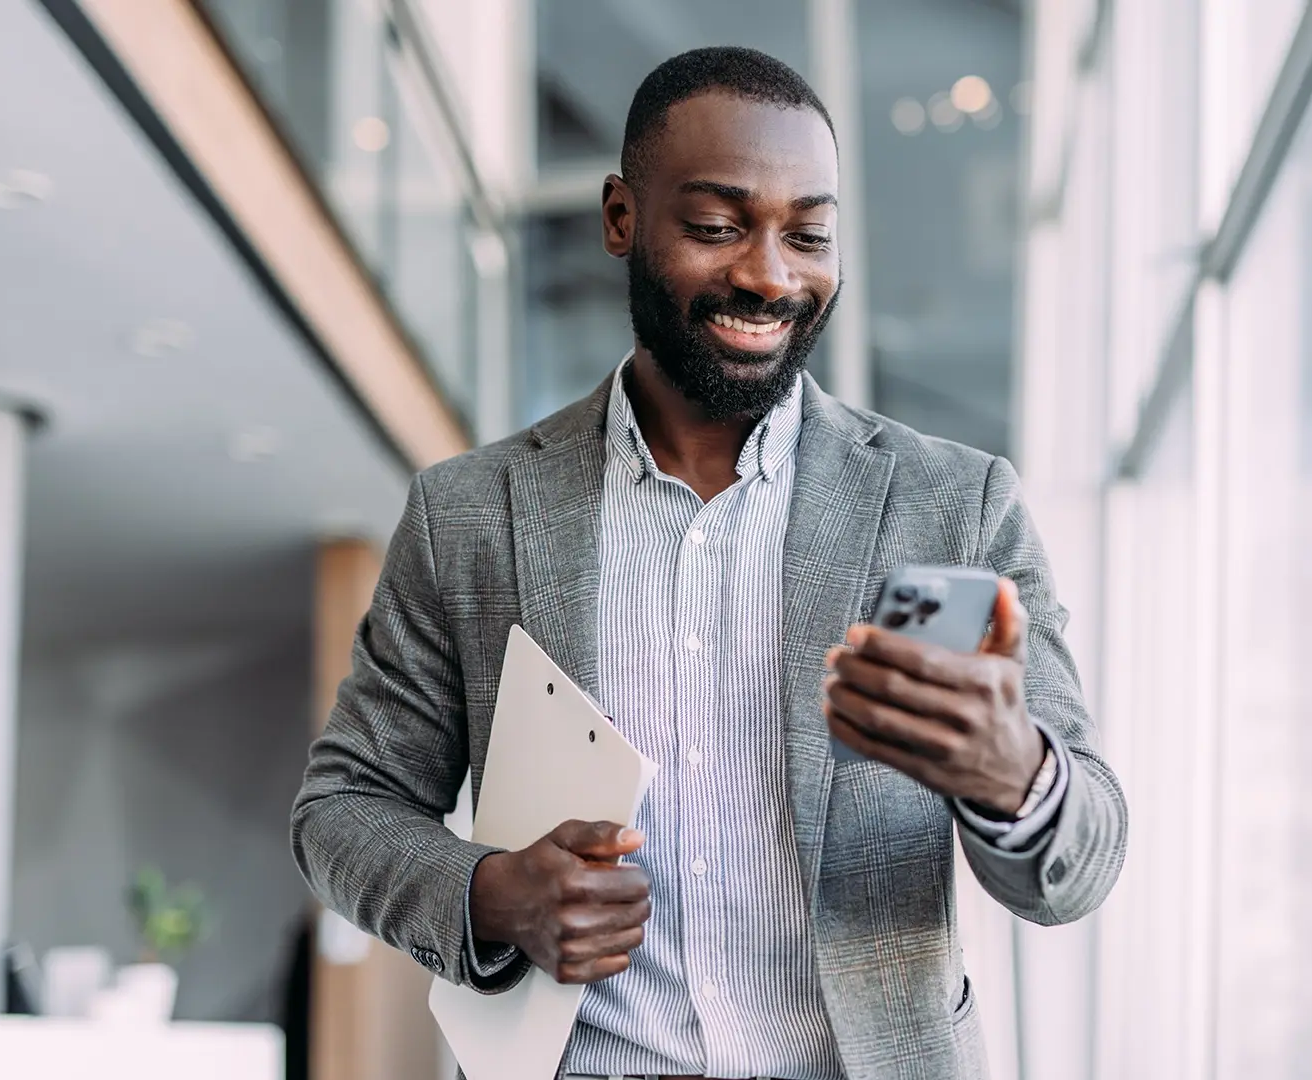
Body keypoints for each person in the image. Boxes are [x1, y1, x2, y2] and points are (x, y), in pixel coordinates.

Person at [292, 46, 1127, 1080]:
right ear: (620, 218)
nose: (770, 275)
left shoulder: (955, 506)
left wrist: (1016, 773)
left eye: (809, 235)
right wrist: (494, 894)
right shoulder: (471, 513)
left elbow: (1081, 863)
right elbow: (344, 809)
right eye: (718, 227)